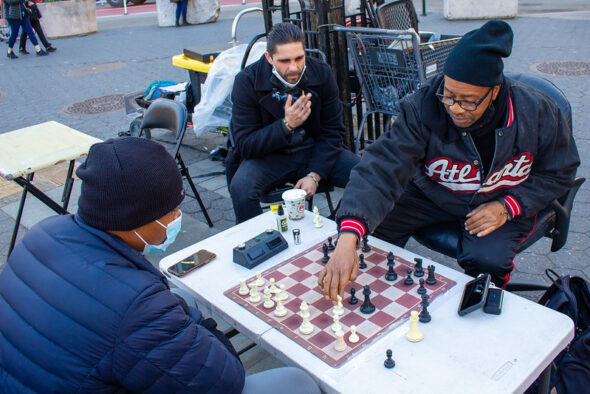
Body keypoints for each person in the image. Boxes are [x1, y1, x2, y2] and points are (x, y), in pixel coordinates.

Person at [0, 137, 320, 393]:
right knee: (297, 382)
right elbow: (225, 379)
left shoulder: (42, 233)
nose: (177, 217)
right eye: (171, 209)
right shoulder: (136, 306)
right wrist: (189, 319)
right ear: (134, 218)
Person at [318, 20, 580, 300]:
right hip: (432, 193)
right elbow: (381, 166)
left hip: (500, 198)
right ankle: (382, 295)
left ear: (493, 91)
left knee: (488, 261)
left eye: (468, 101)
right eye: (449, 95)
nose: (455, 108)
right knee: (364, 229)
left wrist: (508, 206)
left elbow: (560, 172)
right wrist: (348, 235)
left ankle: (480, 306)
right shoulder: (423, 105)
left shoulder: (538, 110)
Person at [227, 22, 359, 224]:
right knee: (241, 188)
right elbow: (245, 145)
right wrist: (286, 125)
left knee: (367, 175)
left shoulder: (321, 73)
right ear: (269, 58)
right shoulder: (247, 81)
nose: (293, 67)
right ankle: (260, 242)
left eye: (299, 58)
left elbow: (333, 131)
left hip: (315, 150)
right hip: (270, 156)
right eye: (284, 61)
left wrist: (314, 175)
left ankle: (337, 229)